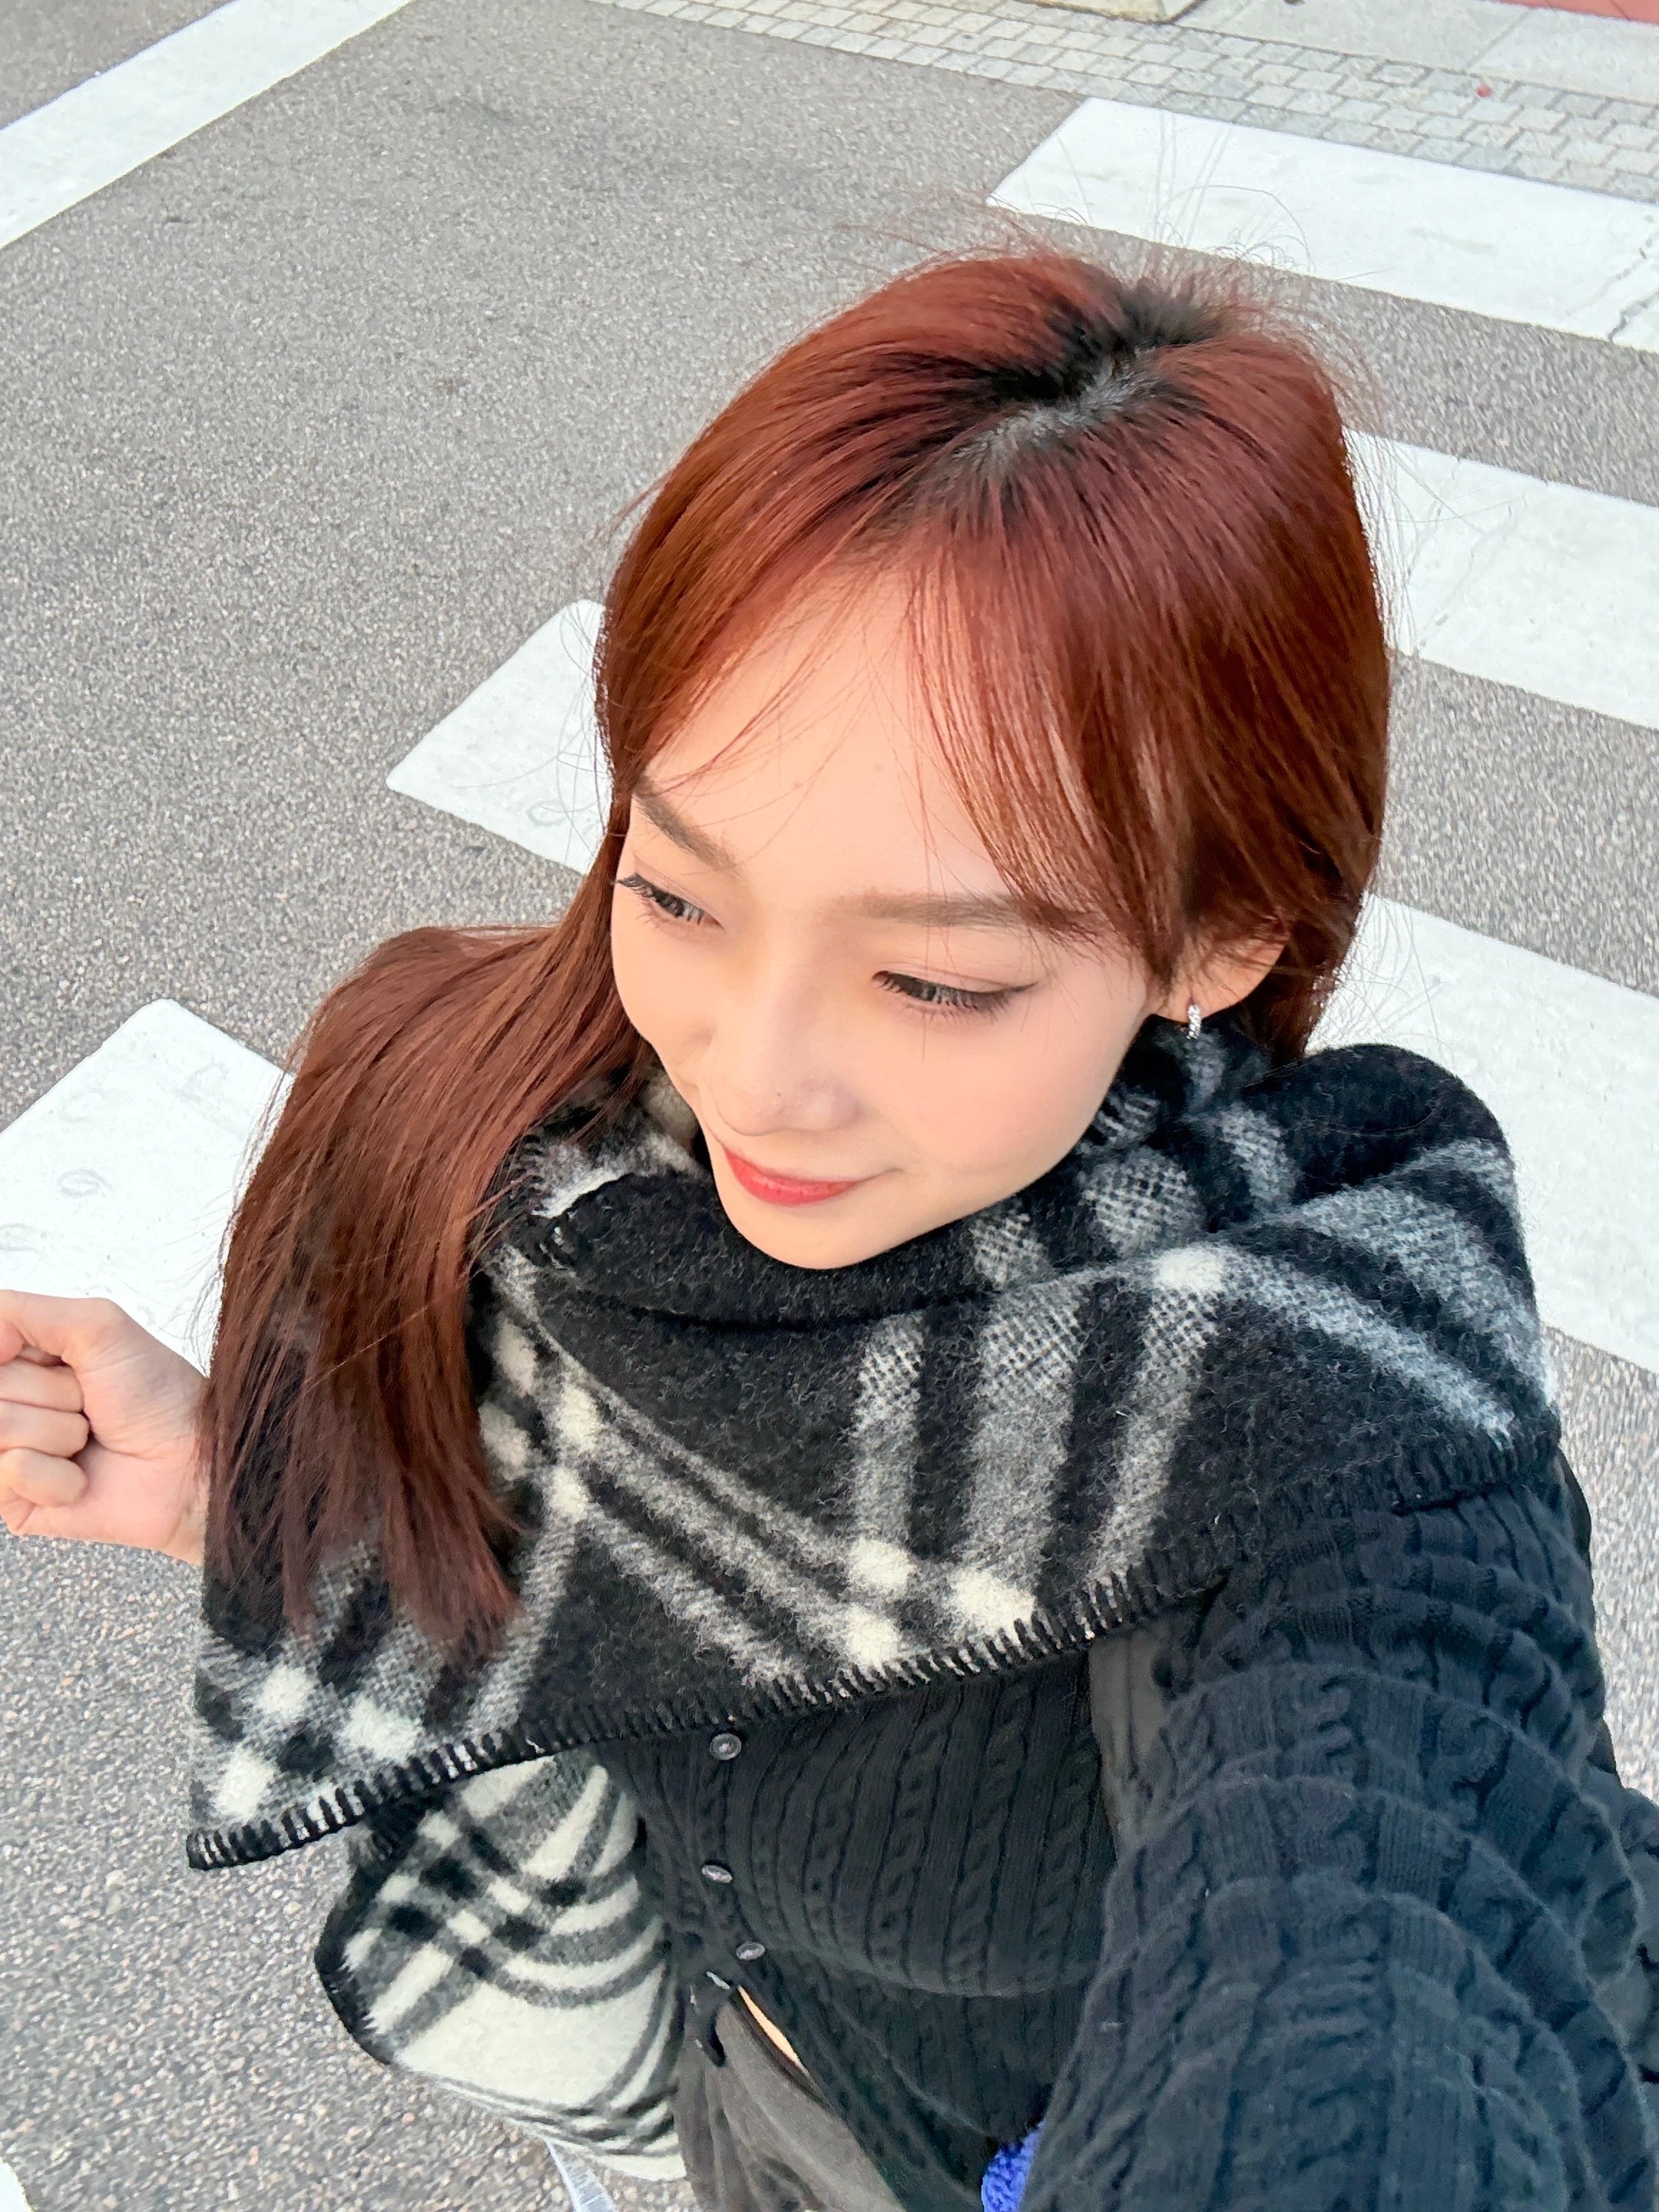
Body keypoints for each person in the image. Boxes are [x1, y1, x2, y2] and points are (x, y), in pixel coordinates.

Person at [3, 247, 1656, 2212]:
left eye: (936, 980)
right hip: (746, 2123)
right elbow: (591, 1561)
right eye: (680, 893)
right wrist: (253, 1491)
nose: (751, 1076)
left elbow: (1390, 1928)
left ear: (1220, 937)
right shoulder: (515, 1137)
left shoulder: (1323, 1415)